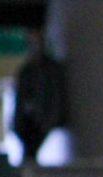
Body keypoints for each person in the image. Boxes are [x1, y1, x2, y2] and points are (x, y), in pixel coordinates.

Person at [12, 29, 66, 164]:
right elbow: (20, 99)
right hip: (30, 120)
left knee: (31, 150)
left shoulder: (50, 70)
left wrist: (50, 119)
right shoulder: (27, 71)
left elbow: (55, 97)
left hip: (41, 120)